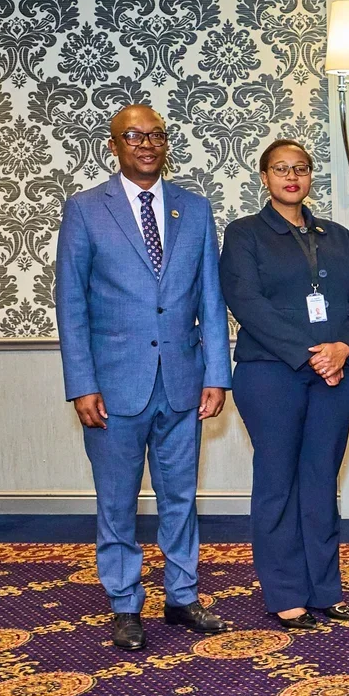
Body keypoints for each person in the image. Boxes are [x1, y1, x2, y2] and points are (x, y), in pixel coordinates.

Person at [55, 104, 230, 651]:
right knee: (117, 501)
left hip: (182, 379)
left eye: (156, 135)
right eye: (134, 135)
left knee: (180, 496)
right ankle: (125, 604)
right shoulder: (85, 210)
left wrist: (217, 374)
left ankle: (182, 596)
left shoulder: (194, 210)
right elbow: (71, 304)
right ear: (114, 145)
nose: (146, 144)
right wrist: (82, 384)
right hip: (112, 386)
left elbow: (210, 298)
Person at [221, 139, 349, 629]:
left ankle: (324, 589)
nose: (292, 176)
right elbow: (247, 303)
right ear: (264, 177)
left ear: (311, 177)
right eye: (281, 169)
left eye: (301, 168)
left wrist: (343, 349)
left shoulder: (337, 234)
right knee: (277, 485)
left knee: (319, 483)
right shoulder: (245, 233)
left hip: (337, 376)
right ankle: (286, 592)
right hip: (271, 375)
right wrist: (310, 355)